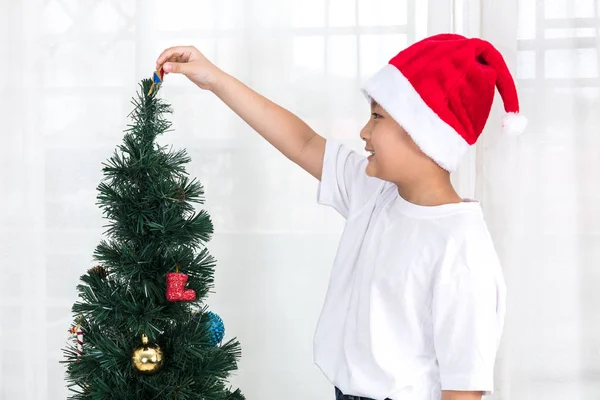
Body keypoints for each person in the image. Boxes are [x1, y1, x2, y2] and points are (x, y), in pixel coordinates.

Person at [156, 33, 526, 400]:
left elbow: (464, 389)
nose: (364, 132)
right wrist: (214, 78)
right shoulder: (374, 193)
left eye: (377, 117)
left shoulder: (460, 249)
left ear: (423, 133)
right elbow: (302, 142)